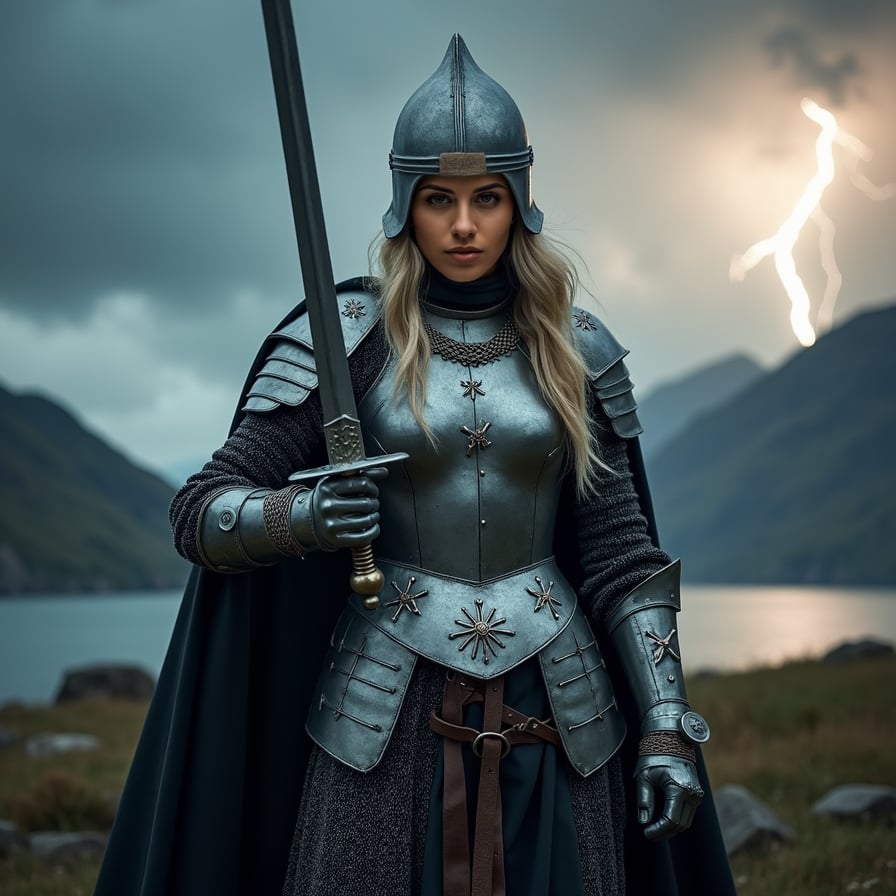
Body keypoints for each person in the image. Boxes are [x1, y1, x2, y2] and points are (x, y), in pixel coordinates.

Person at [95, 34, 734, 896]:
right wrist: (302, 518)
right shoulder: (347, 342)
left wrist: (664, 725)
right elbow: (201, 510)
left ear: (520, 204)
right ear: (406, 206)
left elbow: (622, 554)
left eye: (486, 198)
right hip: (380, 712)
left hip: (562, 709)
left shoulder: (575, 351)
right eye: (439, 199)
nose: (464, 225)